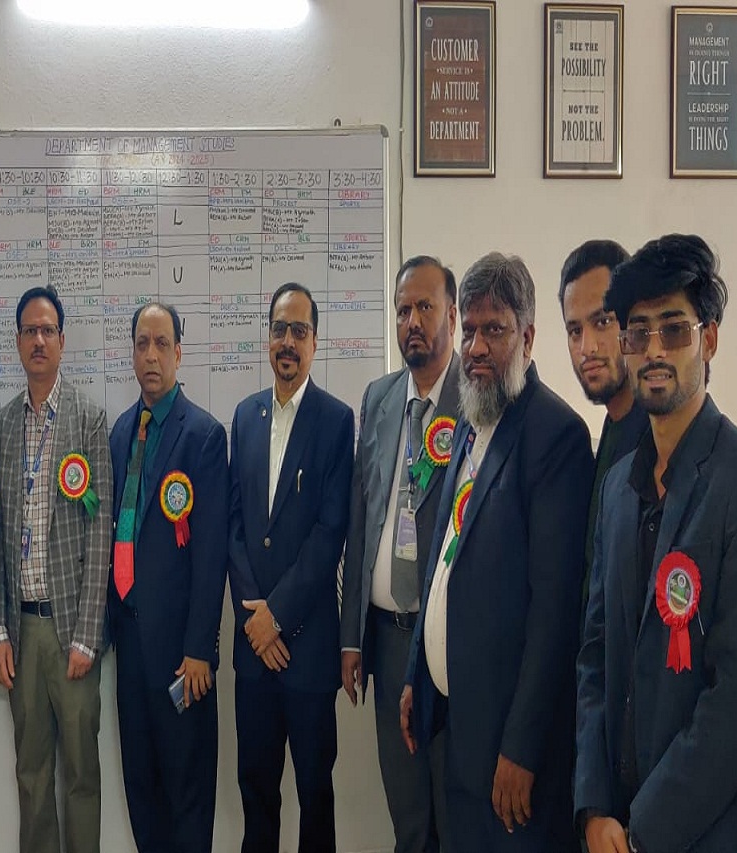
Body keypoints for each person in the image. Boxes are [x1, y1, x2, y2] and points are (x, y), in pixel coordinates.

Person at [574, 234, 737, 853]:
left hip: (708, 832)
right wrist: (594, 808)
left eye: (674, 330)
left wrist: (644, 831)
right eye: (638, 332)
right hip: (613, 827)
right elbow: (594, 656)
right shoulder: (619, 487)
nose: (653, 350)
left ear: (710, 339)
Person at [401, 253, 593, 853]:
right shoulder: (468, 421)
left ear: (528, 338)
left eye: (495, 330)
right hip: (456, 726)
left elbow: (555, 612)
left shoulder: (556, 436)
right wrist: (415, 672)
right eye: (470, 331)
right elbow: (443, 559)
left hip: (508, 750)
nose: (477, 348)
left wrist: (521, 747)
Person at [228, 281, 353, 853]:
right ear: (268, 337)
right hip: (254, 655)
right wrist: (254, 621)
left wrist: (275, 616)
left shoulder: (336, 421)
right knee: (256, 794)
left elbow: (330, 533)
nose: (287, 341)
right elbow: (235, 526)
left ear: (314, 342)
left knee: (314, 796)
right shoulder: (244, 416)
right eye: (279, 329)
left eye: (299, 331)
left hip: (306, 650)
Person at [0, 285, 113, 853]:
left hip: (71, 634)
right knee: (31, 774)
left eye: (47, 331)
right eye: (29, 331)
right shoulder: (1, 426)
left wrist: (88, 635)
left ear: (62, 341)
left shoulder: (89, 420)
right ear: (17, 342)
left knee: (82, 774)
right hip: (23, 630)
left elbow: (101, 531)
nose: (38, 340)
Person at [341, 256, 459, 853]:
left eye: (425, 307)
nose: (412, 321)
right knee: (408, 817)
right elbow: (361, 520)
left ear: (452, 316)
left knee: (454, 815)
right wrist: (351, 638)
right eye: (403, 309)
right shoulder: (380, 397)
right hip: (387, 642)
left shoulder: (475, 398)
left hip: (448, 644)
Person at [108, 302, 229, 852]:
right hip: (130, 648)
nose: (151, 355)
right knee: (142, 791)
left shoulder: (203, 436)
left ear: (179, 353)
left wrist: (200, 647)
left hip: (183, 659)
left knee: (187, 797)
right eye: (142, 344)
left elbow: (211, 555)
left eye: (161, 344)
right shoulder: (120, 433)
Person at [558, 239, 648, 589]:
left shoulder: (659, 440)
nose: (587, 348)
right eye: (575, 331)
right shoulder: (612, 426)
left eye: (602, 321)